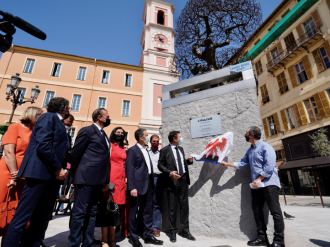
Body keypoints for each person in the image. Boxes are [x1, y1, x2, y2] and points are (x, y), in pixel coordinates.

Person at [4, 97, 70, 247]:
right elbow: (43, 145)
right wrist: (58, 168)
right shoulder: (49, 117)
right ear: (65, 107)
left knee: (42, 217)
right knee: (23, 216)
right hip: (40, 174)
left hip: (50, 177)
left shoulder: (58, 121)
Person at [221, 126, 285, 247]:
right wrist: (227, 164)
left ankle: (279, 241)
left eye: (246, 134)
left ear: (251, 135)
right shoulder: (250, 150)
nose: (245, 135)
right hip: (257, 186)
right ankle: (262, 238)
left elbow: (270, 165)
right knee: (256, 210)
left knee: (275, 212)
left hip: (269, 184)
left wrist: (259, 178)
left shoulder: (266, 147)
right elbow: (242, 163)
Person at [0, 107, 43, 246]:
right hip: (8, 173)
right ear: (33, 116)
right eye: (40, 117)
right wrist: (14, 174)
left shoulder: (35, 133)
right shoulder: (15, 127)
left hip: (23, 176)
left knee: (13, 211)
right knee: (2, 205)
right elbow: (9, 152)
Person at [69, 108, 111, 247]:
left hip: (98, 180)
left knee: (92, 213)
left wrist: (106, 181)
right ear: (99, 117)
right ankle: (74, 244)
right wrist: (75, 176)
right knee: (79, 213)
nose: (109, 119)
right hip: (85, 178)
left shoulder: (104, 134)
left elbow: (105, 159)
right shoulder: (87, 131)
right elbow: (75, 154)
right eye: (107, 117)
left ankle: (88, 243)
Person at [127, 129, 163, 247]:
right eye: (146, 136)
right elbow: (130, 170)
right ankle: (133, 237)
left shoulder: (146, 150)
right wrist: (132, 187)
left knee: (148, 211)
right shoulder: (132, 150)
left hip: (148, 185)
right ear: (141, 137)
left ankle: (148, 236)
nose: (147, 138)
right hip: (137, 187)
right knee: (133, 212)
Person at [158, 131, 195, 243]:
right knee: (172, 208)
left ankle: (185, 231)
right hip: (172, 182)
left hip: (183, 181)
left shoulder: (181, 149)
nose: (181, 138)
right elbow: (160, 165)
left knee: (184, 207)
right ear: (174, 139)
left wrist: (188, 162)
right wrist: (170, 173)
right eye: (180, 136)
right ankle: (173, 231)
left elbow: (180, 162)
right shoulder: (165, 150)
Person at [101, 127, 127, 247]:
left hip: (121, 182)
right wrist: (105, 181)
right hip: (111, 180)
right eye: (118, 132)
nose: (120, 134)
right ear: (113, 133)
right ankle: (104, 239)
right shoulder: (110, 145)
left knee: (114, 211)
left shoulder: (123, 147)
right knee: (107, 210)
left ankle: (112, 239)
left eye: (122, 133)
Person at [147, 135, 163, 237]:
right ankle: (147, 226)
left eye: (157, 141)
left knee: (157, 203)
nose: (155, 143)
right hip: (148, 179)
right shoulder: (146, 152)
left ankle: (156, 228)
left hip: (159, 178)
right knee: (148, 203)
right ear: (150, 142)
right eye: (153, 141)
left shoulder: (162, 153)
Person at [59, 114, 75, 208]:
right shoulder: (56, 132)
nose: (69, 126)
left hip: (64, 168)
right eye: (68, 123)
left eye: (71, 124)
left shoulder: (68, 137)